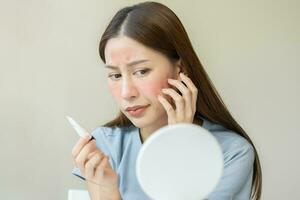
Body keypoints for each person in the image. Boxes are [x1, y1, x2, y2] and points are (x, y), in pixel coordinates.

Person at [71, 2, 262, 200]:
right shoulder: (105, 146)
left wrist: (178, 146)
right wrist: (107, 190)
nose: (127, 92)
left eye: (141, 71)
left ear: (180, 69)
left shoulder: (232, 153)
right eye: (115, 75)